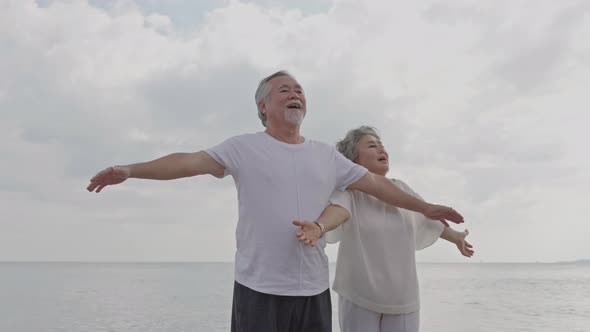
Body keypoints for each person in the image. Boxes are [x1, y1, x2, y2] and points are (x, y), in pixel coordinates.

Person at [86, 71, 464, 332]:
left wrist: (425, 208)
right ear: (263, 106)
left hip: (313, 290)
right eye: (283, 89)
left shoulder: (325, 156)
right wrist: (130, 170)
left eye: (299, 90)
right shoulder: (243, 147)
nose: (294, 94)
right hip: (259, 287)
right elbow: (189, 162)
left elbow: (378, 188)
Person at [294, 126, 474, 332]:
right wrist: (319, 227)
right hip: (359, 294)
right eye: (372, 145)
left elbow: (428, 221)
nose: (382, 150)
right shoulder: (349, 192)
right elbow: (338, 211)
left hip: (403, 297)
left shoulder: (402, 189)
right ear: (353, 159)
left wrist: (456, 237)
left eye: (382, 146)